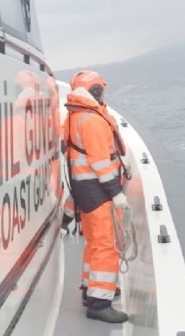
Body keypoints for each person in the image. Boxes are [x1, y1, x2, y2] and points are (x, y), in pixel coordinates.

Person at [63, 70, 129, 323]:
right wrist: (116, 194)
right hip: (99, 191)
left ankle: (91, 290)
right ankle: (100, 302)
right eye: (101, 89)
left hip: (84, 191)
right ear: (96, 91)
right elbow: (100, 162)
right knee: (106, 245)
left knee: (93, 243)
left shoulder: (74, 116)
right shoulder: (92, 120)